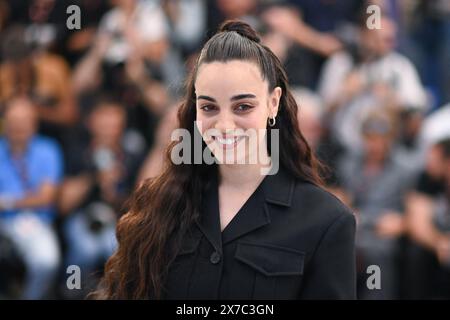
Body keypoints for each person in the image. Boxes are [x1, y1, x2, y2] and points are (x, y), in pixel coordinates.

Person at [92, 20, 356, 300]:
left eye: (243, 106)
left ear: (273, 102)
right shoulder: (158, 205)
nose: (225, 125)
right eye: (209, 107)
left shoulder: (326, 221)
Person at [0, 96, 62, 299]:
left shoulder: (48, 149)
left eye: (24, 122)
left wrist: (7, 201)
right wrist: (27, 198)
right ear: (5, 123)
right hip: (3, 222)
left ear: (34, 124)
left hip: (36, 222)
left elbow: (46, 198)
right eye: (14, 122)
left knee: (47, 261)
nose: (18, 127)